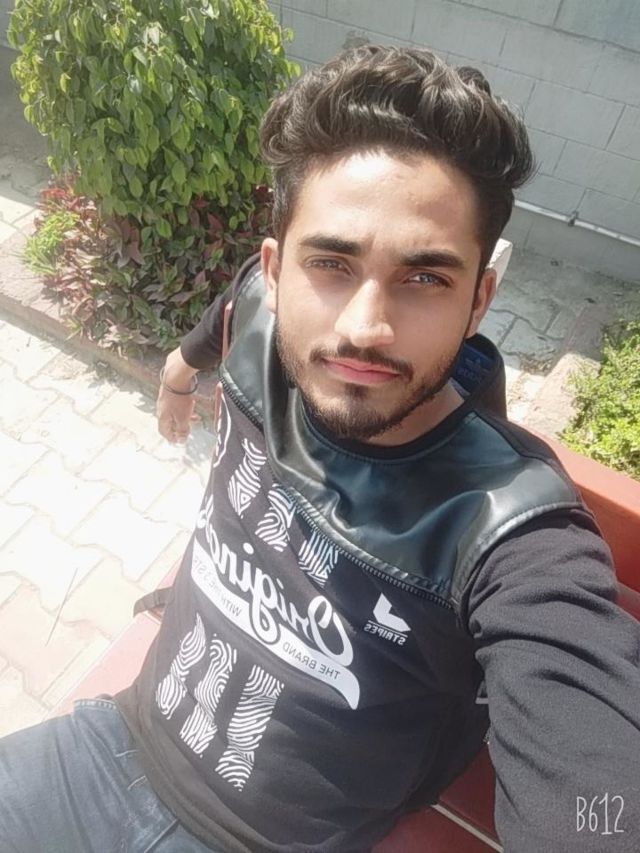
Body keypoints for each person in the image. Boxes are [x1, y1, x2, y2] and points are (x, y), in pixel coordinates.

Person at [1, 45, 639, 853]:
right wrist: (175, 376)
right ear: (277, 273)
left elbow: (596, 795)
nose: (365, 327)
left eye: (425, 278)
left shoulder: (513, 532)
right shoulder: (256, 317)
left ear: (480, 299)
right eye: (332, 264)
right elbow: (222, 316)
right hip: (108, 744)